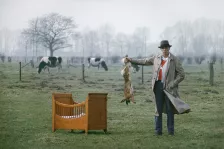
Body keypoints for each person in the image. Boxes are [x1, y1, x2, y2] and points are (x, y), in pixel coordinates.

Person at [126, 40, 186, 136]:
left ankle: (171, 131)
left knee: (170, 109)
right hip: (157, 86)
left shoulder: (174, 59)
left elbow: (182, 75)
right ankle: (158, 131)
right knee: (158, 109)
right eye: (163, 48)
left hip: (169, 88)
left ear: (169, 48)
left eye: (166, 47)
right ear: (161, 49)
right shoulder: (156, 58)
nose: (164, 49)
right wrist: (131, 60)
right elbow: (144, 61)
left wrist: (172, 84)